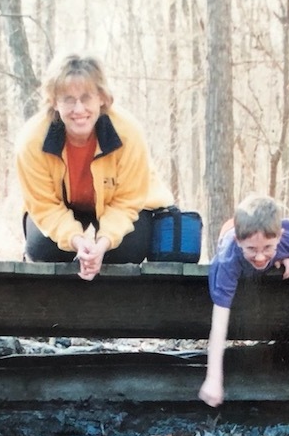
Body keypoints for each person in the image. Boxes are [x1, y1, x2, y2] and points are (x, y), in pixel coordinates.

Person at [16, 52, 175, 280]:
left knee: (127, 250)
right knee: (44, 250)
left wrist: (103, 243)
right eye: (68, 99)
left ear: (101, 97)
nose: (78, 109)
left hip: (116, 204)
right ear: (54, 101)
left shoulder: (128, 134)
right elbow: (44, 206)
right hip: (63, 206)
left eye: (86, 98)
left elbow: (127, 201)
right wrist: (77, 241)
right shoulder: (32, 140)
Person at [198, 194, 289, 407]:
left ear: (279, 237)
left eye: (268, 248)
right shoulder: (227, 260)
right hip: (234, 240)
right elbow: (219, 321)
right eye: (252, 249)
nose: (260, 256)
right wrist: (213, 378)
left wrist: (288, 256)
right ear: (239, 241)